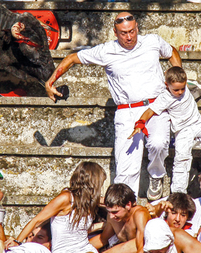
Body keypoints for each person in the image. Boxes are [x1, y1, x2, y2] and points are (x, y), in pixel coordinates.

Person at [45, 12, 182, 199]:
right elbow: (71, 59)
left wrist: (178, 76)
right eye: (123, 33)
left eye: (132, 31)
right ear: (115, 32)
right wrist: (50, 82)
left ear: (137, 29)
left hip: (156, 106)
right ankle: (126, 208)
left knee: (158, 143)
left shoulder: (152, 41)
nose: (129, 36)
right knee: (126, 168)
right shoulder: (106, 51)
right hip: (127, 111)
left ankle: (156, 175)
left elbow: (172, 51)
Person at [9, 162, 106, 253]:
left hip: (84, 249)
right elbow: (36, 220)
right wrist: (17, 242)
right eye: (100, 184)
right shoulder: (66, 198)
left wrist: (102, 225)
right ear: (93, 182)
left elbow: (81, 228)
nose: (101, 188)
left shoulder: (88, 201)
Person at [131, 66, 201, 193]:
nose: (180, 92)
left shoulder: (186, 86)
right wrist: (140, 123)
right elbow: (150, 111)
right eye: (176, 89)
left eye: (183, 88)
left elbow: (184, 78)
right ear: (167, 85)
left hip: (198, 122)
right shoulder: (164, 97)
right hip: (183, 130)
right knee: (182, 158)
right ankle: (178, 192)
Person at [92, 183, 151, 251]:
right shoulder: (113, 217)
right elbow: (103, 239)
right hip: (125, 252)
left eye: (115, 212)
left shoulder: (139, 215)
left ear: (128, 205)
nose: (111, 216)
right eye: (109, 212)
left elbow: (142, 248)